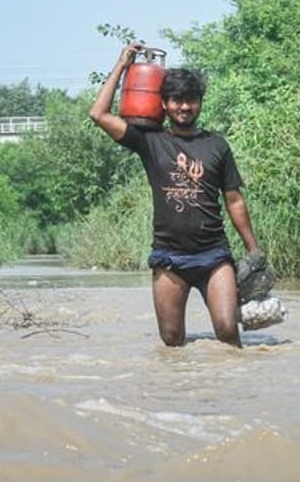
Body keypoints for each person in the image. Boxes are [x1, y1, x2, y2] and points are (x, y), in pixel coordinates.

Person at [88, 43, 261, 348]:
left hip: (214, 256)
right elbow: (98, 114)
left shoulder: (216, 145)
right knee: (171, 341)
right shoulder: (149, 141)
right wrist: (122, 65)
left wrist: (253, 250)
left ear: (200, 103)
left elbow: (234, 200)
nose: (184, 107)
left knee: (227, 332)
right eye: (177, 100)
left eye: (191, 100)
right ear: (164, 104)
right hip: (168, 257)